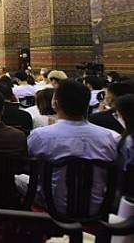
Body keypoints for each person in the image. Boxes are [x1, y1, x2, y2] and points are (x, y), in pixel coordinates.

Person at [27, 79, 118, 214]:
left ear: (55, 103)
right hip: (96, 209)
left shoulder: (41, 136)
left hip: (51, 207)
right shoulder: (109, 137)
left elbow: (30, 165)